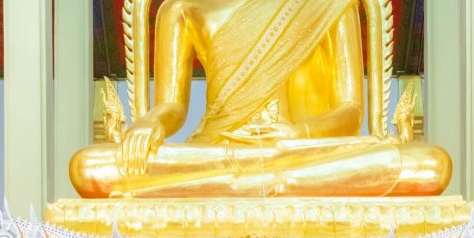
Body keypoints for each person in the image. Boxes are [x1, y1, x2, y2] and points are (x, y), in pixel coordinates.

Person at [69, 0, 451, 198]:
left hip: (301, 153)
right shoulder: (183, 8)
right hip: (218, 153)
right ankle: (269, 183)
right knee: (90, 168)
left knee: (428, 165)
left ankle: (245, 184)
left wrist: (297, 134)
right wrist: (150, 122)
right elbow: (173, 107)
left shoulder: (330, 5)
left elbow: (350, 112)